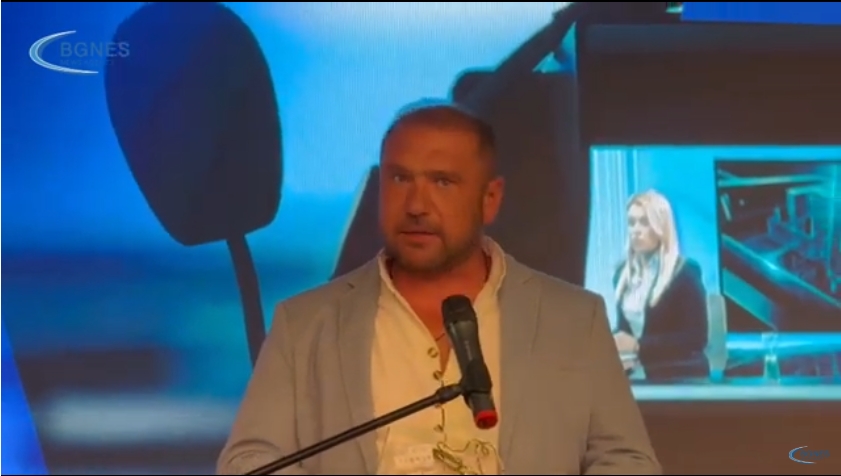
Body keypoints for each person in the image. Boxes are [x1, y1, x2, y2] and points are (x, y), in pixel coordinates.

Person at [217, 102, 661, 475]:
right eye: (400, 179)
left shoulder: (574, 318)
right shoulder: (303, 324)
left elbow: (628, 461)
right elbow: (247, 461)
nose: (416, 205)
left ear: (490, 199)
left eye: (442, 182)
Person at [612, 190, 709, 381]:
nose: (636, 230)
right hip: (640, 375)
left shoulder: (684, 272)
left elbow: (695, 338)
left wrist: (638, 346)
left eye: (644, 222)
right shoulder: (622, 275)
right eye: (631, 223)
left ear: (661, 226)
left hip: (681, 376)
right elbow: (625, 332)